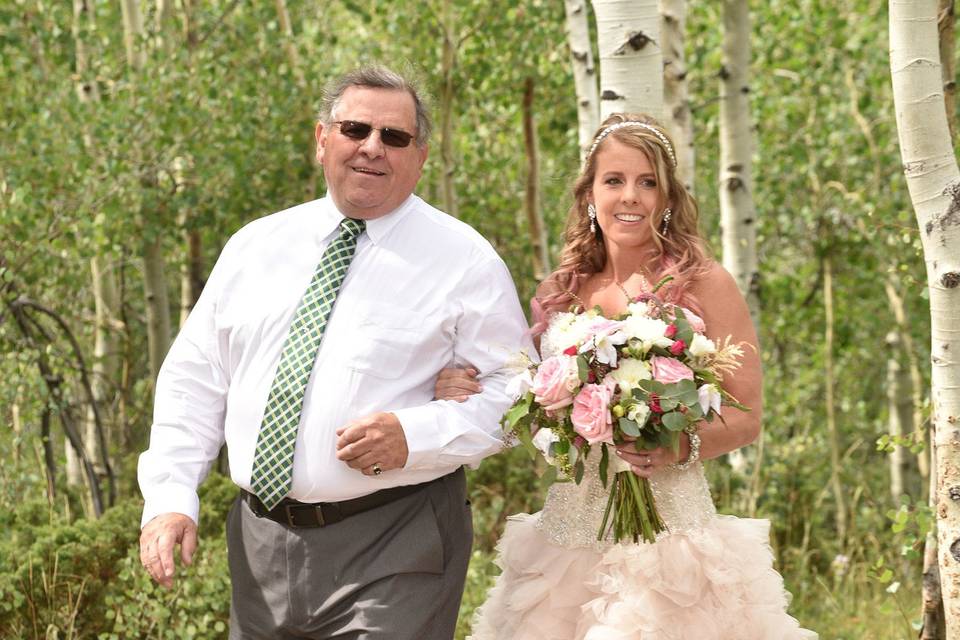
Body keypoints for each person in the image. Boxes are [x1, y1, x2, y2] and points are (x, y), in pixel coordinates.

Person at [137, 65, 530, 639]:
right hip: (259, 545)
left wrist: (415, 434)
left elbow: (517, 393)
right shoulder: (255, 247)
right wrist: (172, 496)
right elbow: (195, 380)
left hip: (396, 542)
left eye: (394, 137)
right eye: (355, 129)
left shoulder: (465, 261)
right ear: (322, 140)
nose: (372, 147)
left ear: (420, 156)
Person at [435, 114, 817, 639]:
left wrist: (674, 446)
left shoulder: (705, 282)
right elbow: (520, 390)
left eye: (647, 182)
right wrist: (462, 386)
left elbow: (745, 416)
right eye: (614, 180)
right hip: (570, 532)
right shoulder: (560, 290)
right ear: (589, 194)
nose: (630, 196)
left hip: (670, 537)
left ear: (667, 198)